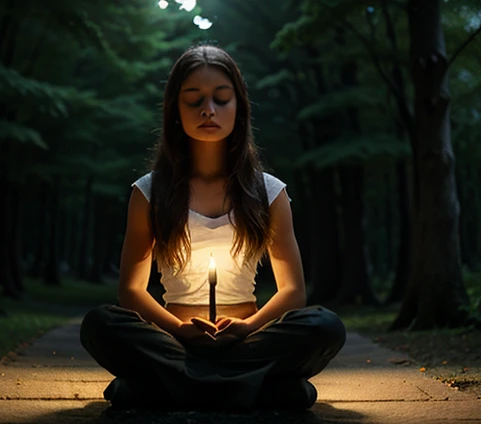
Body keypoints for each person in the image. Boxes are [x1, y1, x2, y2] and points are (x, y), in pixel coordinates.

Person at [80, 44, 346, 411]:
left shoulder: (268, 192)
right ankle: (260, 390)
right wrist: (179, 330)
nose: (209, 109)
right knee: (101, 324)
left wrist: (248, 327)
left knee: (324, 325)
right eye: (194, 100)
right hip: (174, 338)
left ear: (240, 107)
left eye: (222, 98)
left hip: (249, 338)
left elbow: (293, 292)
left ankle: (161, 388)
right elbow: (130, 290)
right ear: (175, 109)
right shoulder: (150, 192)